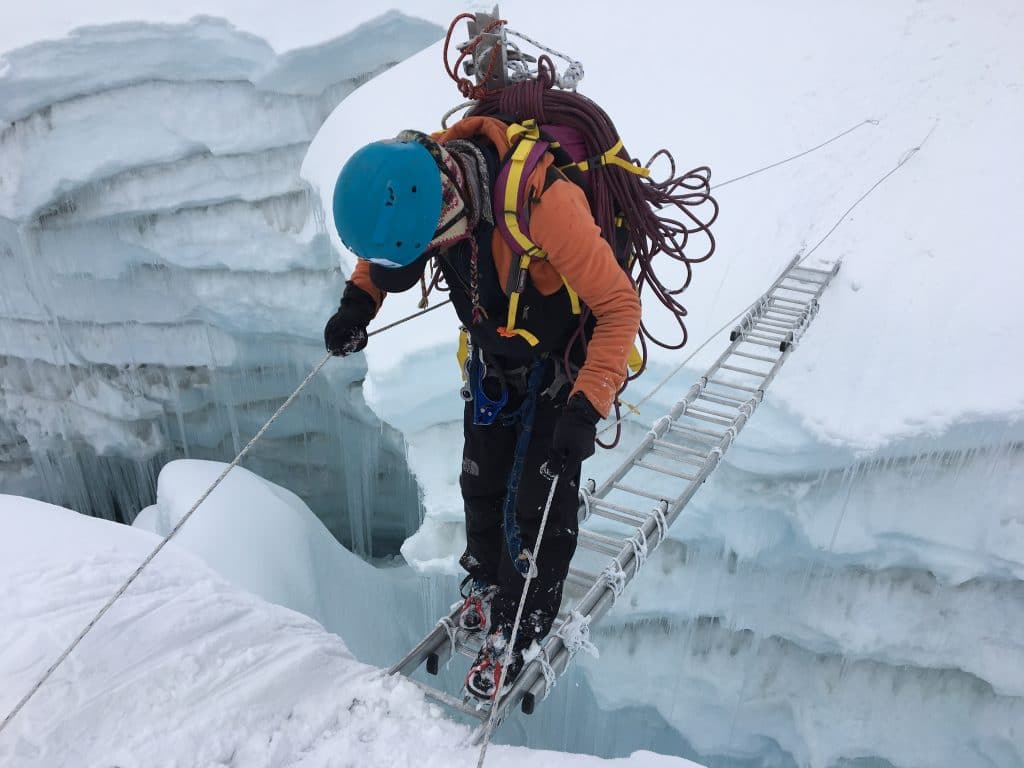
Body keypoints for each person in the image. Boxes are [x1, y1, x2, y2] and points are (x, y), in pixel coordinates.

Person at [324, 115, 641, 700]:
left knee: (538, 501)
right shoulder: (420, 171)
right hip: (493, 356)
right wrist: (357, 303)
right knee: (482, 479)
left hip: (560, 361)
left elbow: (619, 306)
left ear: (444, 214)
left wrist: (587, 407)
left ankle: (529, 617)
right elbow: (385, 237)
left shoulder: (542, 203)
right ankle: (489, 579)